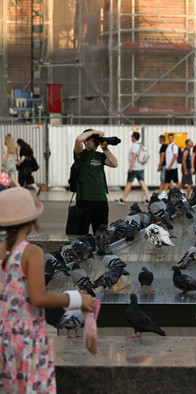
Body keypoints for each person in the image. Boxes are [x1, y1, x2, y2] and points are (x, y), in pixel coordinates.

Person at [0, 187, 96, 393]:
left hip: (4, 337)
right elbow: (39, 298)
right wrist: (76, 298)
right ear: (32, 221)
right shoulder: (31, 252)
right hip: (27, 336)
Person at [73, 129, 118, 234]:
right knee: (81, 234)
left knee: (101, 234)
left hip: (101, 199)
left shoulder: (100, 155)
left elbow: (114, 164)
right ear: (86, 141)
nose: (97, 142)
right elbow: (78, 139)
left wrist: (105, 148)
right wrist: (94, 132)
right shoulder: (80, 154)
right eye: (94, 140)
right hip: (84, 200)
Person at [115, 131, 150, 204]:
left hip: (134, 168)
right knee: (142, 182)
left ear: (134, 137)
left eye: (131, 136)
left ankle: (123, 199)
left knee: (129, 183)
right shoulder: (140, 144)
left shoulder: (135, 145)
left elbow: (134, 156)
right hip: (141, 167)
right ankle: (148, 199)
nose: (131, 137)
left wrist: (131, 167)